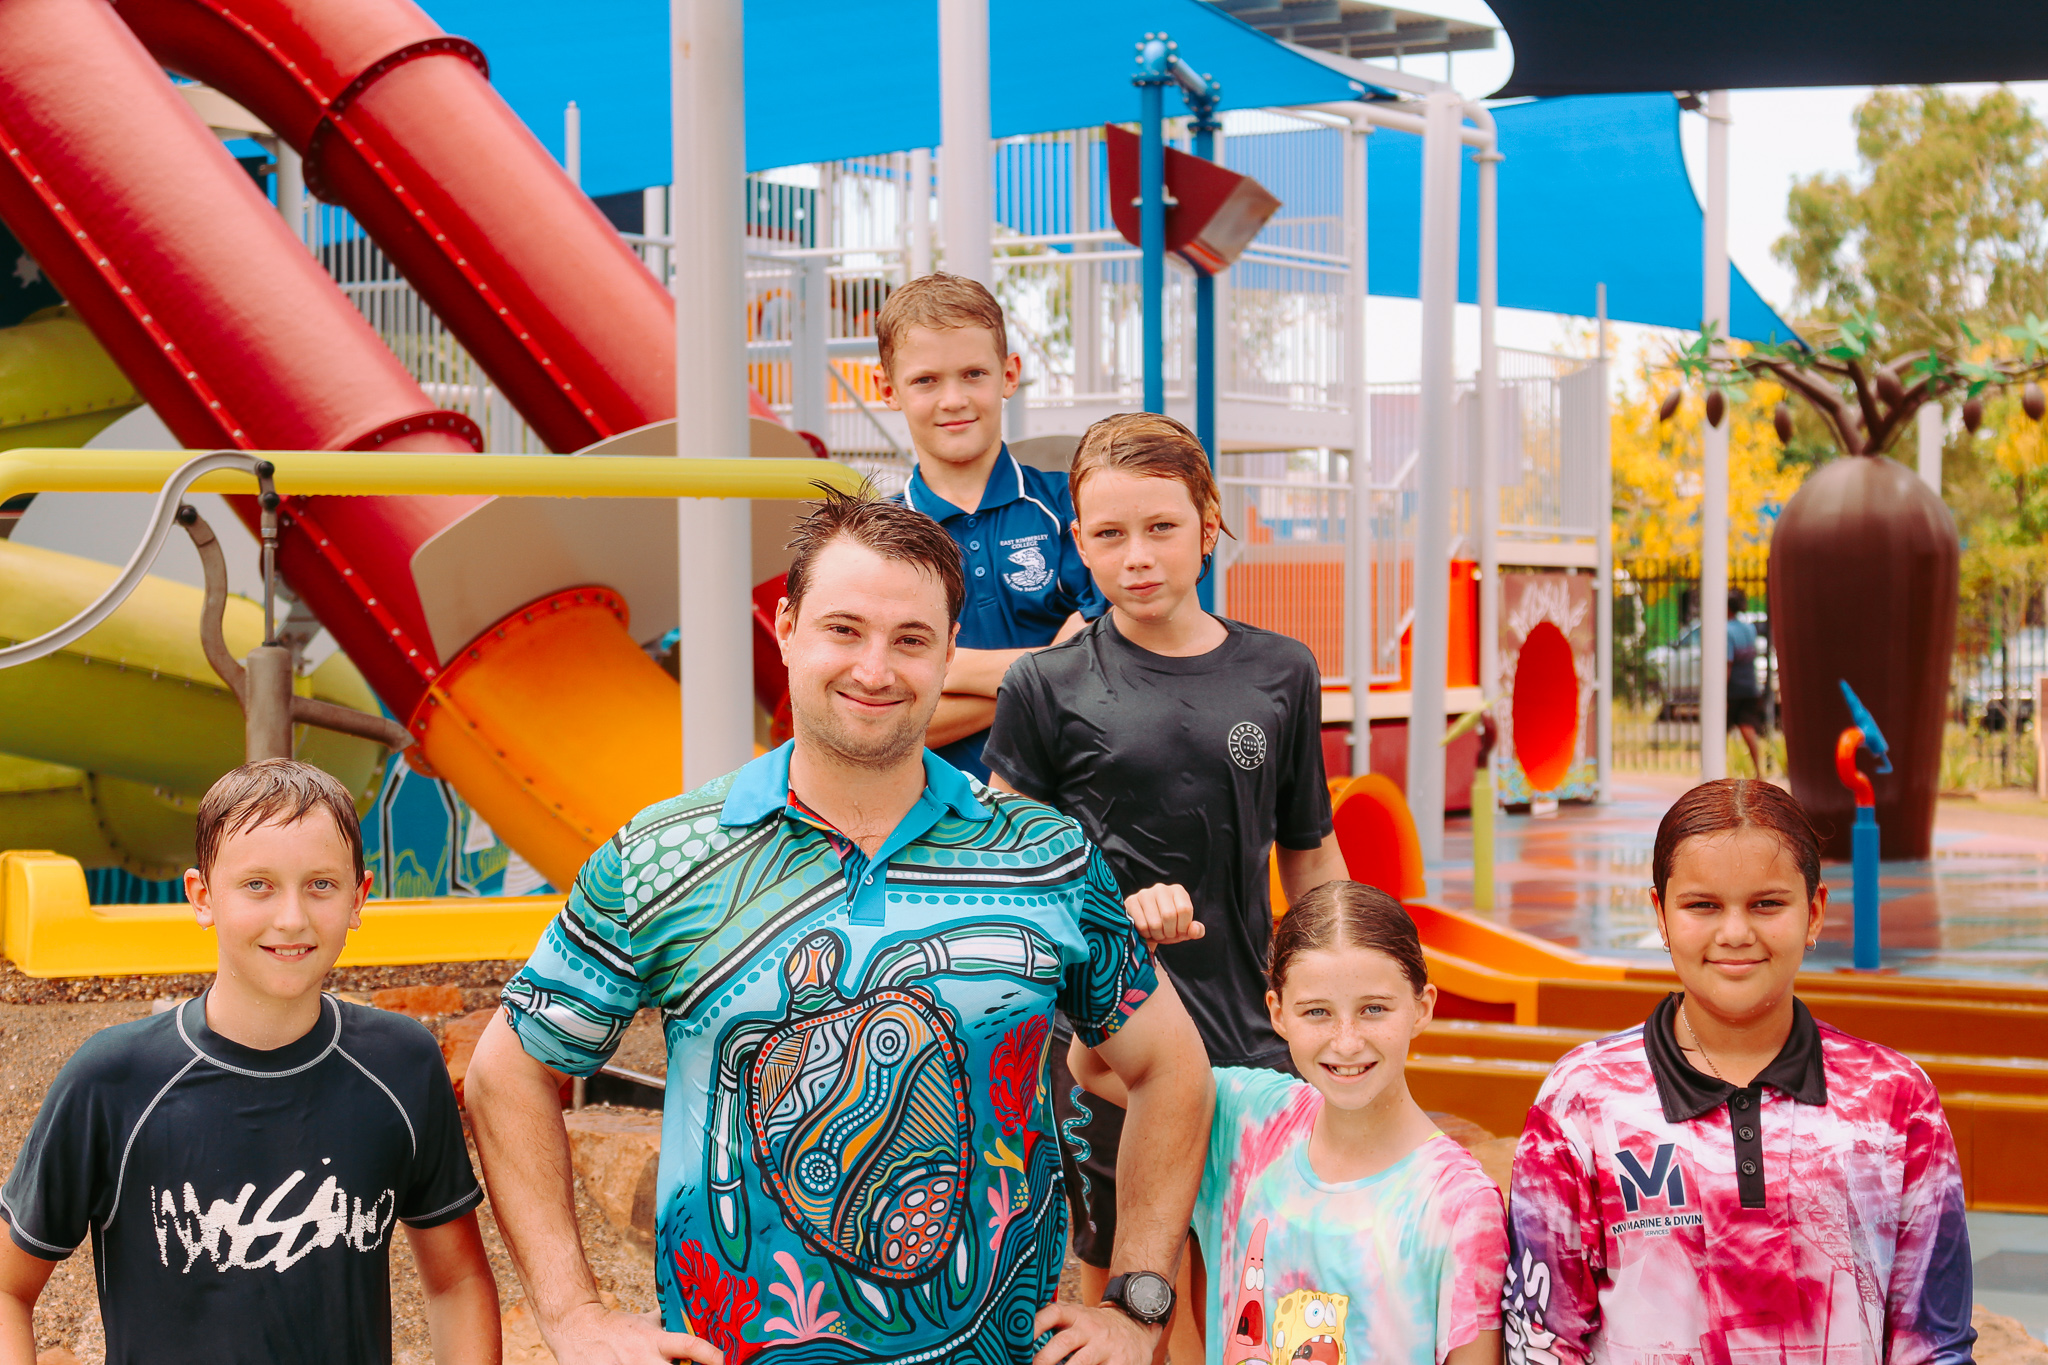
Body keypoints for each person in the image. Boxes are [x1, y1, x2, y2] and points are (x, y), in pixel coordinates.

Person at [464, 486, 1213, 1365]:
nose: (875, 669)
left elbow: (1172, 1069)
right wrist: (573, 1313)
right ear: (785, 628)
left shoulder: (1040, 856)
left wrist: (1137, 1299)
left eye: (910, 640)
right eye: (844, 629)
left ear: (946, 657)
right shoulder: (663, 857)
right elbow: (506, 1073)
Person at [981, 411, 1346, 1347]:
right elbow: (1005, 878)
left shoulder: (1281, 671)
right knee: (1126, 1297)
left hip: (1253, 1037)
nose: (1136, 556)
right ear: (1079, 545)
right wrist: (1109, 920)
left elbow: (1309, 851)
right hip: (1107, 1051)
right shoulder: (1045, 684)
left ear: (1209, 524)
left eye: (1160, 528)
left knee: (1270, 1278)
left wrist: (1336, 993)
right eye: (1108, 535)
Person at [0, 760, 497, 1365]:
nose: (291, 917)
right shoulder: (113, 1080)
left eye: (321, 885)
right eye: (258, 885)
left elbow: (458, 1283)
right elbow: (7, 1287)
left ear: (360, 897)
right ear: (203, 896)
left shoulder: (401, 1065)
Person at [1502, 779, 1975, 1365]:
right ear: (1661, 914)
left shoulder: (1895, 1100)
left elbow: (1934, 1345)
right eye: (1703, 905)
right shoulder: (1583, 1099)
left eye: (1766, 904)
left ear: (1816, 911)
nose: (1735, 933)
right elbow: (1543, 1339)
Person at [1072, 881, 1508, 1365]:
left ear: (1422, 1007)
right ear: (1278, 1013)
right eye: (1317, 1012)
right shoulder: (1245, 1119)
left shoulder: (1459, 1205)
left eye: (1373, 1009)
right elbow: (1096, 1067)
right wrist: (1129, 952)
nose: (1346, 1042)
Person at [876, 272, 1107, 779]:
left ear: (1009, 374)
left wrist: (950, 673)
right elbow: (882, 723)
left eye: (973, 374)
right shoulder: (878, 542)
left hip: (1083, 812)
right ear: (887, 388)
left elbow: (1117, 659)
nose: (954, 399)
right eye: (925, 380)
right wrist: (1051, 670)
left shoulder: (1075, 507)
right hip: (935, 830)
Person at [1725, 589, 1766, 777]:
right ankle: (1759, 770)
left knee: (1719, 729)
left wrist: (1723, 689)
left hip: (1733, 688)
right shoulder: (1749, 628)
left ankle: (1714, 769)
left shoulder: (1726, 630)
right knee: (1747, 726)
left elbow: (1728, 662)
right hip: (1750, 686)